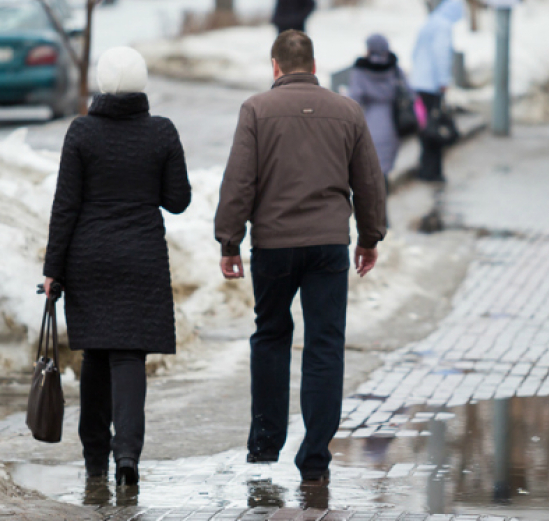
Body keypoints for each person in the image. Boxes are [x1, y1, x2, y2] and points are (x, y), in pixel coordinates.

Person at [214, 30, 386, 482]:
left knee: (270, 335)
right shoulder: (347, 111)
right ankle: (314, 456)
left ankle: (266, 444)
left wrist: (229, 241)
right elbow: (369, 181)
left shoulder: (255, 110)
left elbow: (239, 181)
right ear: (313, 64)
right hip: (329, 245)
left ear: (275, 66)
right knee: (325, 345)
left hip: (272, 245)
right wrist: (370, 237)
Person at [43, 47, 191, 487]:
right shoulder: (161, 132)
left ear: (102, 84)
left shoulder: (81, 133)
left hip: (89, 257)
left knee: (95, 353)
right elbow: (178, 200)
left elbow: (65, 206)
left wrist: (54, 268)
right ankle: (127, 453)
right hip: (141, 257)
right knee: (128, 355)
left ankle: (94, 461)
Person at [409, 0, 463, 182]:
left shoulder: (430, 22)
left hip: (419, 82)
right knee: (434, 125)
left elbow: (415, 52)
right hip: (431, 85)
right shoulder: (443, 26)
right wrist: (443, 81)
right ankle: (432, 171)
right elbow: (442, 55)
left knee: (426, 125)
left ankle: (426, 168)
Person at [349, 33, 407, 192]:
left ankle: (376, 208)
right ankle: (385, 199)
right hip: (392, 122)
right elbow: (408, 92)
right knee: (385, 170)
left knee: (371, 169)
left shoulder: (360, 70)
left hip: (370, 122)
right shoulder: (394, 67)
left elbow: (354, 98)